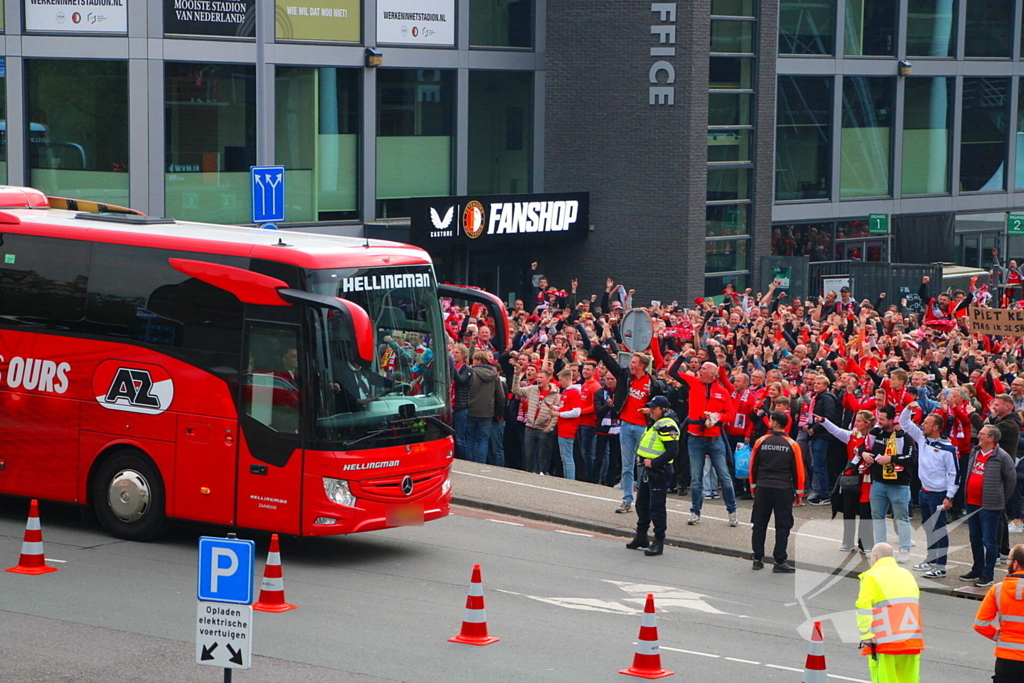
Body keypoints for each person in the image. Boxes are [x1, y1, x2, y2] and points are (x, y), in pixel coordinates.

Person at [589, 344, 664, 514]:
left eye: (634, 362)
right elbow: (610, 363)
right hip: (625, 426)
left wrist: (650, 410)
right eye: (631, 361)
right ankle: (627, 500)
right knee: (627, 465)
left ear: (642, 366)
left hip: (643, 428)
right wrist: (598, 348)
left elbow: (663, 405)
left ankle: (645, 500)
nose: (631, 364)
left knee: (644, 465)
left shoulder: (653, 383)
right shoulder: (625, 376)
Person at [672, 361, 739, 527]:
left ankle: (732, 511)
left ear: (712, 373)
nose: (699, 370)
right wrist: (682, 356)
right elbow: (672, 371)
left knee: (724, 476)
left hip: (714, 439)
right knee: (696, 478)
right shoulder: (693, 383)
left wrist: (717, 417)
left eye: (703, 368)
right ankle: (695, 511)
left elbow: (731, 414)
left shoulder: (722, 392)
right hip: (695, 438)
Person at [899, 404, 958, 579]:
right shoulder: (922, 438)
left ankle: (941, 566)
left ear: (936, 428)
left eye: (926, 423)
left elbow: (954, 473)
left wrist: (949, 496)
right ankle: (931, 559)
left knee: (939, 529)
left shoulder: (948, 448)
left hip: (939, 494)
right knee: (928, 527)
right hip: (924, 491)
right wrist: (909, 408)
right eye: (923, 422)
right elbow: (904, 422)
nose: (923, 425)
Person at [856, 542, 924, 683]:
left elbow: (863, 608)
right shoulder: (907, 574)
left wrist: (866, 635)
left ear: (874, 557)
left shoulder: (871, 576)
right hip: (911, 640)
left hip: (885, 642)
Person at [748, 411, 805, 573]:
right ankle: (779, 561)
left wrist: (753, 487)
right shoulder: (792, 444)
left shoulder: (761, 441)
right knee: (782, 526)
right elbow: (799, 471)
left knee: (759, 523)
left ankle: (757, 559)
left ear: (773, 422)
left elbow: (752, 467)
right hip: (783, 489)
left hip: (763, 487)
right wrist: (799, 494)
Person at [962, 425, 1018, 588]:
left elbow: (1010, 481)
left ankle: (988, 574)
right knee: (975, 538)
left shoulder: (1002, 457)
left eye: (982, 434)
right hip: (972, 503)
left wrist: (999, 499)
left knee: (989, 540)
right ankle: (977, 569)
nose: (978, 436)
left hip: (989, 506)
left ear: (991, 438)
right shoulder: (975, 452)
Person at [625, 396, 680, 557]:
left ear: (662, 409)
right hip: (648, 469)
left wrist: (654, 463)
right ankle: (641, 536)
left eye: (654, 408)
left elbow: (672, 451)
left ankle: (658, 541)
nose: (651, 411)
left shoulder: (667, 425)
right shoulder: (657, 422)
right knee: (642, 504)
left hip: (659, 471)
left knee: (656, 507)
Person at [864, 405, 916, 564]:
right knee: (877, 517)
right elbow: (863, 446)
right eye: (878, 418)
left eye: (882, 419)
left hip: (899, 484)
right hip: (879, 482)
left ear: (892, 420)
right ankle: (880, 550)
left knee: (901, 517)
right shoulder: (876, 433)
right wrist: (863, 453)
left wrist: (891, 459)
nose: (878, 422)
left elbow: (911, 458)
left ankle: (905, 548)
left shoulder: (903, 436)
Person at [974, 543, 1024, 683]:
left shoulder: (998, 590)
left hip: (1006, 658)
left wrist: (1001, 637)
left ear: (1015, 564)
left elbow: (980, 624)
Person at [512, 367, 560, 475]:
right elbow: (516, 391)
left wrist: (549, 427)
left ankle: (541, 475)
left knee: (542, 456)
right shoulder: (532, 389)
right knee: (528, 455)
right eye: (538, 377)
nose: (538, 379)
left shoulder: (555, 394)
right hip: (529, 427)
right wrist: (516, 376)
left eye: (541, 377)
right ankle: (529, 475)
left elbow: (555, 413)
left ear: (548, 379)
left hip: (543, 428)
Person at [465, 351, 506, 464]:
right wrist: (500, 413)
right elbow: (501, 396)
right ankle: (481, 462)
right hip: (487, 412)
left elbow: (465, 391)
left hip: (471, 410)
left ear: (478, 360)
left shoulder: (471, 373)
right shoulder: (494, 376)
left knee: (470, 439)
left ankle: (469, 463)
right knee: (483, 439)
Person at [554, 368, 581, 480]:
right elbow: (565, 408)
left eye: (561, 380)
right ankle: (567, 478)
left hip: (568, 428)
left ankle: (570, 480)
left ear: (567, 378)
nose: (560, 382)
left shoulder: (573, 392)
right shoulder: (566, 391)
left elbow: (576, 411)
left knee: (567, 457)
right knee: (564, 457)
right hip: (563, 427)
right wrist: (555, 408)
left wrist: (559, 414)